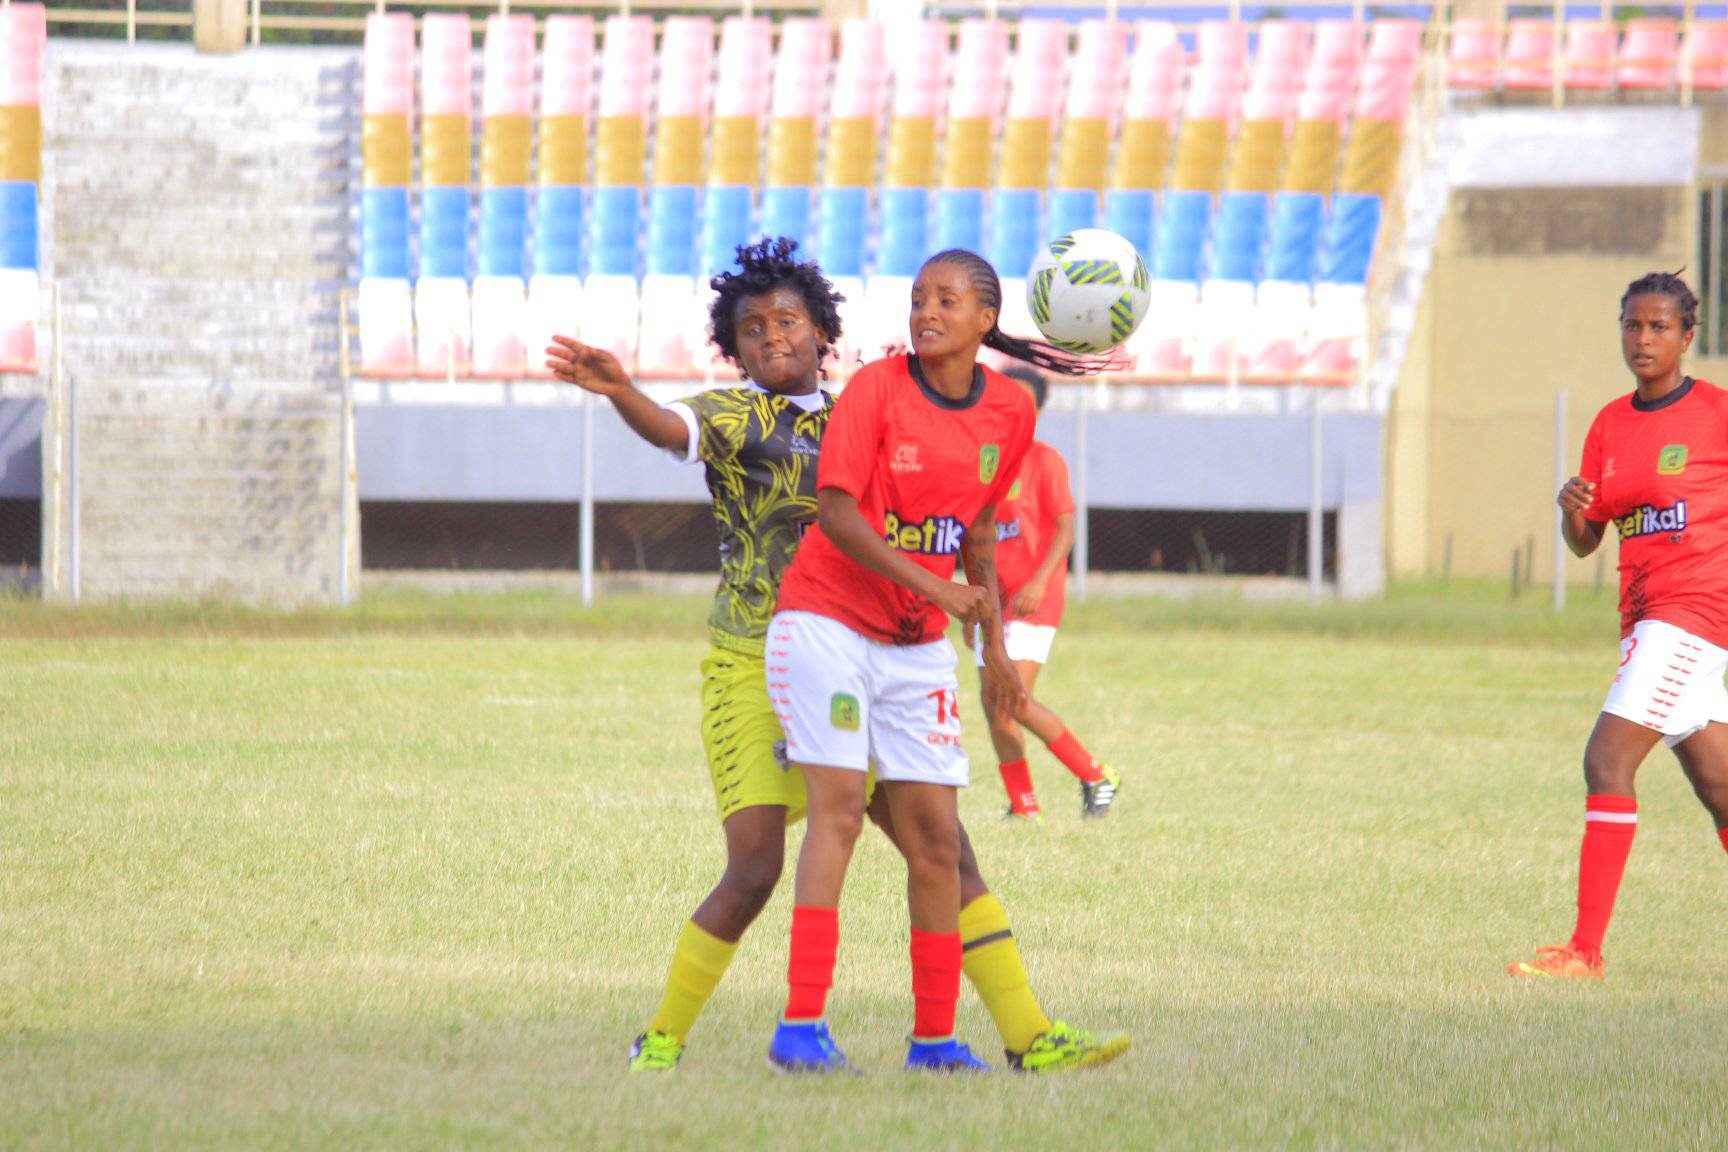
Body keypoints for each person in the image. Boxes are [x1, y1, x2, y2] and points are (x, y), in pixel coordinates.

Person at [545, 238, 1127, 1072]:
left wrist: (975, 620)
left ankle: (1027, 1034)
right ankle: (663, 1036)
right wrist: (621, 391)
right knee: (753, 868)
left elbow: (959, 502)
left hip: (872, 650)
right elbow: (671, 429)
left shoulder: (876, 400)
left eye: (788, 321)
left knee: (947, 850)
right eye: (750, 329)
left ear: (826, 332)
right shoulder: (731, 415)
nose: (770, 337)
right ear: (733, 347)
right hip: (757, 659)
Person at [765, 248, 1119, 1073]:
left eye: (947, 300)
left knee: (936, 843)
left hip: (917, 643)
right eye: (919, 297)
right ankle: (801, 1028)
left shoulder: (1009, 413)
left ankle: (935, 1040)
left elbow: (980, 536)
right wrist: (942, 588)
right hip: (825, 620)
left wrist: (992, 647)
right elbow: (840, 515)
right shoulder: (876, 390)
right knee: (842, 810)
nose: (926, 311)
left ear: (985, 321)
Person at [1509, 272, 1728, 981]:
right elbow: (1586, 541)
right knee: (1720, 787)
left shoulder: (1718, 414)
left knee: (1607, 761)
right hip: (1642, 617)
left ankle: (1585, 952)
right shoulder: (1609, 423)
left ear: (1688, 336)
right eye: (1633, 325)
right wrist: (1572, 507)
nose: (1644, 338)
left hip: (1692, 614)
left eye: (1660, 326)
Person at [973, 365, 1121, 820]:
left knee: (1013, 699)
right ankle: (1024, 805)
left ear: (1036, 409)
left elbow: (1066, 528)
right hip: (993, 603)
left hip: (1034, 602)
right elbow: (975, 537)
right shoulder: (984, 461)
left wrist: (1038, 580)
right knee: (993, 707)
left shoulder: (1045, 459)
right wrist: (974, 604)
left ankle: (1096, 774)